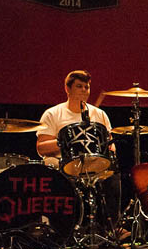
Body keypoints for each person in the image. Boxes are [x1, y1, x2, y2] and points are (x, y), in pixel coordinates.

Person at [36, 70, 121, 233]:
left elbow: (110, 145)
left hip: (93, 163)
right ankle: (64, 228)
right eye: (79, 86)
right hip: (64, 164)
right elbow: (41, 148)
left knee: (113, 171)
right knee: (50, 165)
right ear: (67, 89)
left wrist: (109, 153)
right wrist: (70, 142)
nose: (84, 90)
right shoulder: (53, 114)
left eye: (87, 87)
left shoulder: (99, 114)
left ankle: (110, 228)